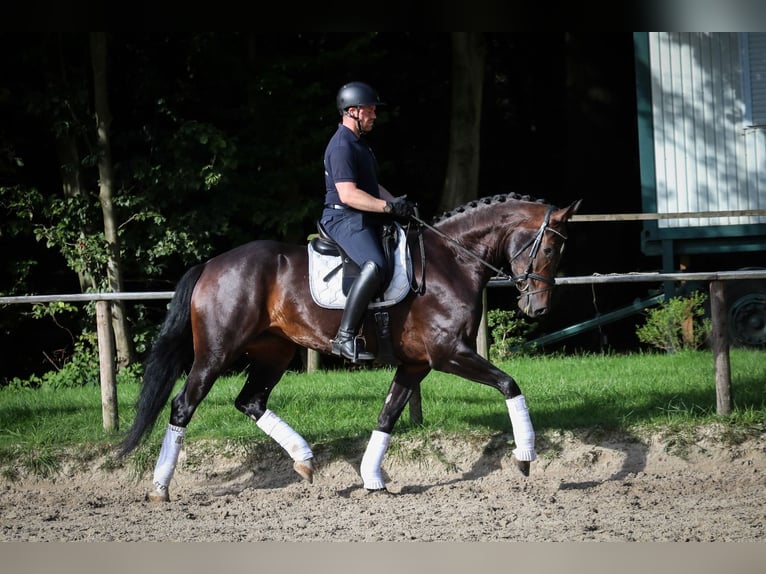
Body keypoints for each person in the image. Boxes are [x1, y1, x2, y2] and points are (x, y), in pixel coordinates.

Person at [320, 81, 416, 363]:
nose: (374, 115)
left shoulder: (360, 145)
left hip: (361, 213)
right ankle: (345, 337)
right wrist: (387, 206)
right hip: (343, 217)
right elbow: (349, 194)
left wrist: (397, 203)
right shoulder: (341, 146)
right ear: (351, 111)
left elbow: (372, 189)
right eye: (369, 110)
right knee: (375, 265)